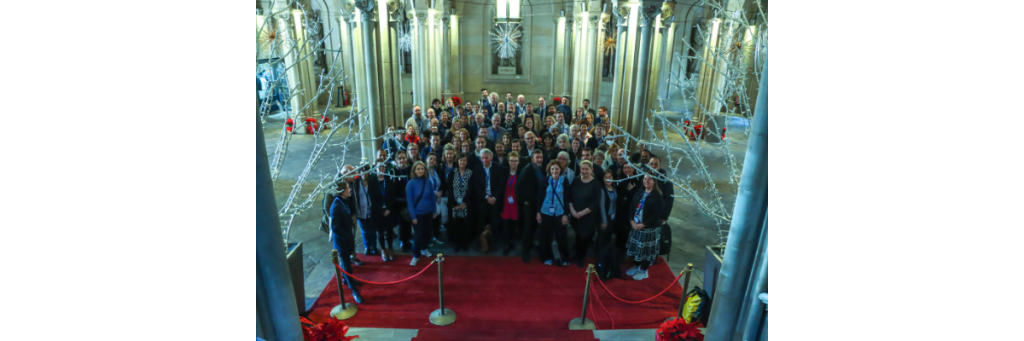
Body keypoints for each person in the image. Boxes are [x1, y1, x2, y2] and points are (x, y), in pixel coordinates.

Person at [625, 174, 665, 281]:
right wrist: (632, 221)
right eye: (645, 179)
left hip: (649, 229)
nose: (647, 181)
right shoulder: (639, 192)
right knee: (638, 249)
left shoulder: (657, 196)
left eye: (650, 179)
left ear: (654, 181)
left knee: (647, 251)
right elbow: (632, 207)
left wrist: (643, 225)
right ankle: (636, 266)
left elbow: (656, 214)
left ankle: (644, 270)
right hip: (636, 226)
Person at [330, 182, 364, 303]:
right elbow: (335, 228)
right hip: (342, 242)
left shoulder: (343, 201)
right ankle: (353, 289)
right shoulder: (336, 206)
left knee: (347, 263)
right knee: (346, 265)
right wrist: (347, 237)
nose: (350, 189)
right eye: (348, 188)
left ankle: (347, 280)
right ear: (341, 191)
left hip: (347, 238)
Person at [536, 160, 571, 267]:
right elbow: (539, 197)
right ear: (549, 170)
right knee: (546, 236)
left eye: (556, 168)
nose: (554, 171)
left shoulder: (564, 181)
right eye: (552, 169)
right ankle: (546, 257)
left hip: (560, 212)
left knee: (562, 236)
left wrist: (566, 214)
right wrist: (538, 212)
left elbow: (567, 198)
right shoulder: (544, 180)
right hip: (546, 211)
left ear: (560, 170)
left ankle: (564, 258)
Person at [569, 161, 601, 268]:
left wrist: (582, 213)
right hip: (575, 215)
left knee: (584, 238)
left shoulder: (596, 183)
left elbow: (596, 202)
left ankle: (582, 258)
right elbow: (569, 197)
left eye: (586, 169)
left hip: (588, 217)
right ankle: (577, 255)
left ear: (591, 169)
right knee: (578, 237)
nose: (584, 171)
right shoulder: (576, 180)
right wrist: (573, 211)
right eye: (582, 169)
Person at [406, 161, 438, 266]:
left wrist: (434, 210)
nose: (420, 170)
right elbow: (410, 202)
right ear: (414, 170)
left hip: (428, 212)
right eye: (418, 169)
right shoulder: (410, 183)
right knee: (418, 236)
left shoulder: (428, 181)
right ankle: (416, 255)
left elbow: (432, 197)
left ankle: (424, 248)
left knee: (428, 233)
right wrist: (413, 216)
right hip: (417, 214)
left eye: (422, 168)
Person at [517, 149, 546, 263]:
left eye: (541, 157)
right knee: (528, 228)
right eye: (537, 157)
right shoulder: (527, 170)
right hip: (529, 204)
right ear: (532, 158)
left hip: (538, 203)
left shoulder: (541, 167)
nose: (539, 159)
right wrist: (524, 201)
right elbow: (518, 187)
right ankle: (525, 251)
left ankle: (531, 245)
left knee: (534, 226)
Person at [475, 148, 505, 253]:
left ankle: (494, 243)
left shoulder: (499, 168)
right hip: (483, 199)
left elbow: (502, 185)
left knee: (494, 221)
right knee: (481, 221)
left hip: (495, 199)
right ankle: (481, 243)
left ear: (491, 157)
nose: (484, 160)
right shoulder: (477, 169)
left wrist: (494, 197)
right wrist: (486, 197)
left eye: (486, 158)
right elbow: (476, 186)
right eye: (482, 158)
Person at [446, 153, 478, 252]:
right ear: (457, 161)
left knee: (465, 225)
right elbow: (449, 189)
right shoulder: (452, 173)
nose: (462, 162)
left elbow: (472, 189)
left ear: (466, 162)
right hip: (454, 203)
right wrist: (455, 203)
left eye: (464, 160)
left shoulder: (471, 173)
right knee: (455, 224)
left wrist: (464, 202)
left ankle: (465, 243)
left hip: (466, 203)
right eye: (461, 160)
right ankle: (456, 243)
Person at [369, 163, 397, 261]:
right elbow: (372, 197)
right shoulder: (372, 180)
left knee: (389, 230)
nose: (381, 168)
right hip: (378, 211)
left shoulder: (389, 179)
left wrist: (388, 208)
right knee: (380, 231)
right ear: (375, 168)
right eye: (379, 166)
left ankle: (390, 248)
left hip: (389, 209)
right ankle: (383, 250)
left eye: (383, 166)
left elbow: (393, 195)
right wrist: (381, 210)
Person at [351, 166, 378, 257]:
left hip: (372, 210)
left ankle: (374, 247)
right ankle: (367, 247)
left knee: (373, 230)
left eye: (366, 172)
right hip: (361, 211)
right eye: (362, 172)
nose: (364, 174)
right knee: (364, 230)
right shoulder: (356, 183)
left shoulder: (372, 182)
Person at [499, 152, 522, 256]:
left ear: (518, 161)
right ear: (508, 161)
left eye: (515, 160)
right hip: (505, 202)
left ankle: (511, 240)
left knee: (514, 224)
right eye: (511, 160)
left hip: (516, 203)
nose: (513, 162)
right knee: (505, 224)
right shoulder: (503, 172)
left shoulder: (521, 172)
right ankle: (507, 243)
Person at [614, 162, 640, 251]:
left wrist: (630, 191)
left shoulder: (638, 181)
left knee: (629, 230)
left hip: (632, 210)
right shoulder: (620, 180)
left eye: (629, 167)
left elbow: (637, 195)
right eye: (624, 167)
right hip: (621, 209)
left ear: (633, 169)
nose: (627, 169)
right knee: (620, 230)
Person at [392, 153, 413, 252]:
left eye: (403, 158)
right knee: (402, 223)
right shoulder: (394, 172)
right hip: (399, 202)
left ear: (406, 159)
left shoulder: (410, 170)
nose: (401, 160)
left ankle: (408, 240)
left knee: (408, 222)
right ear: (396, 160)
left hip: (409, 201)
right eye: (399, 158)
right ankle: (403, 241)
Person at [648, 156, 675, 225]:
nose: (653, 166)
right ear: (649, 165)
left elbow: (669, 200)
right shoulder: (645, 178)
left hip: (657, 213)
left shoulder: (666, 182)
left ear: (660, 166)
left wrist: (664, 216)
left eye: (656, 164)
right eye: (651, 164)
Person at [426, 154, 445, 246]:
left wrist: (439, 194)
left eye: (434, 159)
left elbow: (443, 183)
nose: (432, 161)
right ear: (426, 160)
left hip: (437, 198)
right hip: (427, 199)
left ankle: (436, 235)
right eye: (430, 159)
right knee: (428, 219)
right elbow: (423, 186)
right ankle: (427, 238)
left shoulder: (438, 170)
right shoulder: (423, 171)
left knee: (437, 217)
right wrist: (434, 193)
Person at [596, 171, 618, 253]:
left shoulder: (615, 188)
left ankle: (607, 256)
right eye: (606, 177)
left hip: (613, 217)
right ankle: (600, 256)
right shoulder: (602, 190)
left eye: (610, 177)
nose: (608, 179)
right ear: (603, 179)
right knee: (601, 238)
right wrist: (604, 221)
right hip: (604, 218)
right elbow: (601, 206)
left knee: (608, 237)